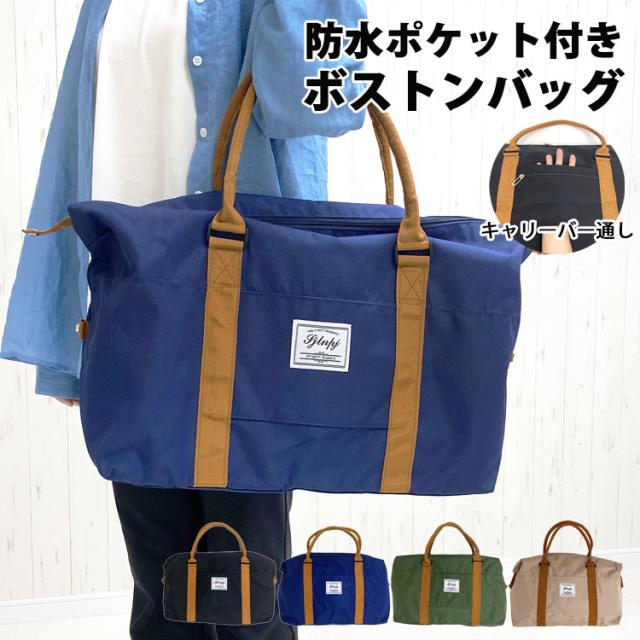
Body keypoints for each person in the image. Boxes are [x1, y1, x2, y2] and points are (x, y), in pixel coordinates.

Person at [1, 1, 366, 638]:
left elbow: (319, 105)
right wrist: (65, 334)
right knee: (161, 587)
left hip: (248, 312)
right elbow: (73, 149)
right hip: (131, 308)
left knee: (249, 583)